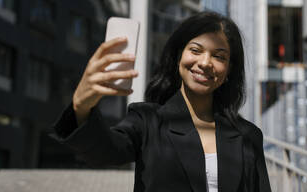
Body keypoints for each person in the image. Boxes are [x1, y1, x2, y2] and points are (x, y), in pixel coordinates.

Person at [52, 11, 272, 192]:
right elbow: (105, 151)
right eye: (195, 50)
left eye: (219, 56)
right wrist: (81, 106)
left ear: (229, 70)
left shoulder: (248, 136)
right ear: (179, 56)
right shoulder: (147, 121)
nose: (205, 62)